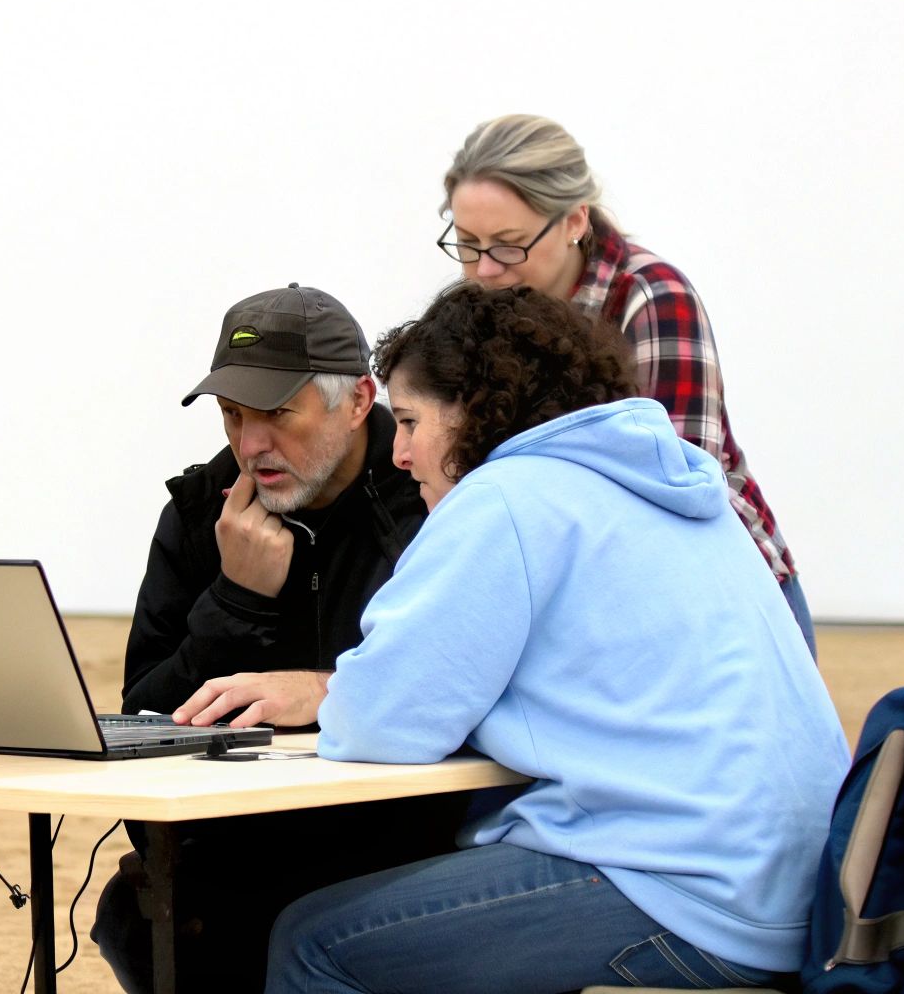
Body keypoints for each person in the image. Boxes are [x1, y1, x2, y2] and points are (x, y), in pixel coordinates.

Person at [199, 283, 850, 993]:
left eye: (411, 421)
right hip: (807, 896)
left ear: (472, 410)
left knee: (312, 940)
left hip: (690, 897)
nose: (401, 453)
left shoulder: (506, 498)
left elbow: (378, 723)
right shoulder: (678, 492)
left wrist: (328, 693)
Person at [91, 284, 466, 993]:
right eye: (233, 416)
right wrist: (238, 602)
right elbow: (143, 716)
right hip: (244, 836)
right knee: (135, 916)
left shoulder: (432, 500)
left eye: (276, 415)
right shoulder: (204, 507)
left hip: (398, 834)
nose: (249, 444)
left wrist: (325, 693)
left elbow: (461, 690)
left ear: (358, 402)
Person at [435, 113, 815, 654]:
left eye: (509, 243)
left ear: (574, 221)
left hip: (728, 613)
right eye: (468, 243)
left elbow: (681, 490)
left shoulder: (652, 299)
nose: (485, 269)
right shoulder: (483, 310)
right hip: (591, 606)